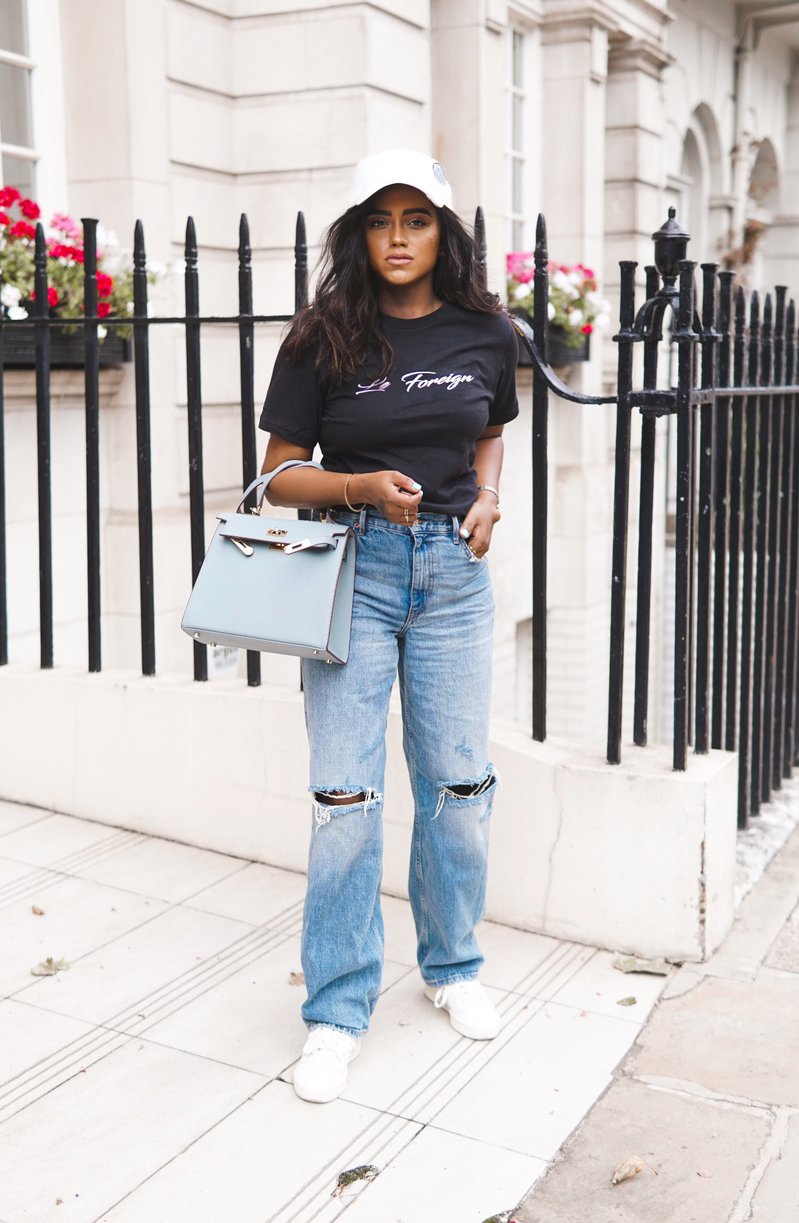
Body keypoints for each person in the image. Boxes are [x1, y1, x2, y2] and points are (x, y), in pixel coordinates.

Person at [259, 148, 519, 1103]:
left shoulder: (487, 333)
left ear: (444, 231)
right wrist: (358, 485)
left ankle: (452, 966)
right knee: (342, 798)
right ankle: (335, 1009)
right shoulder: (321, 338)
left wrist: (486, 497)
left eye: (417, 219)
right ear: (358, 233)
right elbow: (280, 477)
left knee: (458, 784)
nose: (399, 237)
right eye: (380, 219)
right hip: (350, 571)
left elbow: (489, 429)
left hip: (454, 573)